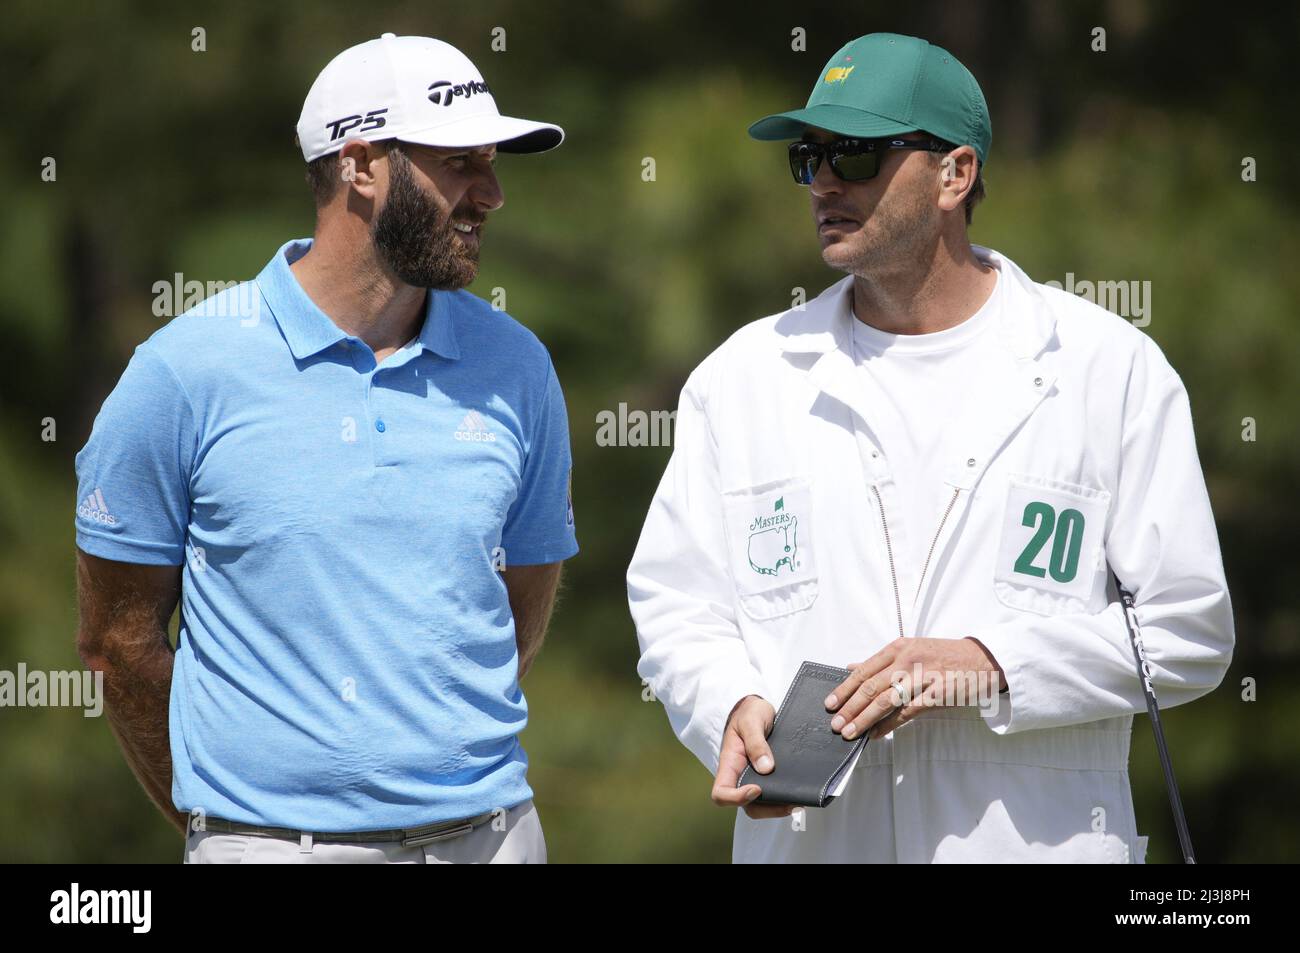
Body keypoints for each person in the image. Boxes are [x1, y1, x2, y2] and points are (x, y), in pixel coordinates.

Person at [627, 32, 1234, 863]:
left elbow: (1189, 630)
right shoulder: (742, 379)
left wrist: (988, 664)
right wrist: (729, 703)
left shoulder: (1108, 369)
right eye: (810, 157)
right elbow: (677, 604)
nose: (826, 182)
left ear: (957, 174)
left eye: (858, 153)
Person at [74, 33, 578, 864]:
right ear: (363, 165)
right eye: (459, 164)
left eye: (492, 165)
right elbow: (117, 641)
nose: (490, 194)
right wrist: (232, 826)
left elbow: (514, 619)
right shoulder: (183, 370)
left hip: (493, 840)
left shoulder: (517, 365)